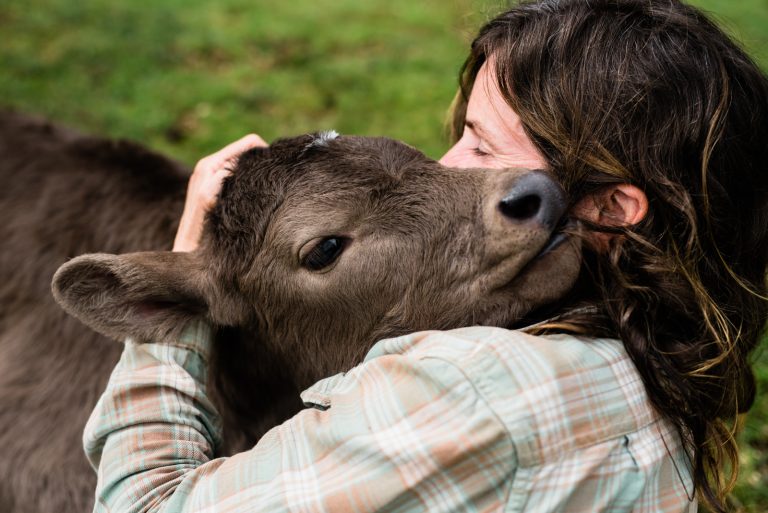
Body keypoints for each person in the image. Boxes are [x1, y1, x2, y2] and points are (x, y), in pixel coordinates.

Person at [84, 1, 768, 511]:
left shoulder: (462, 392)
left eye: (483, 146)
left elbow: (143, 505)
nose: (450, 164)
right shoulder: (664, 338)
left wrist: (177, 291)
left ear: (613, 209)